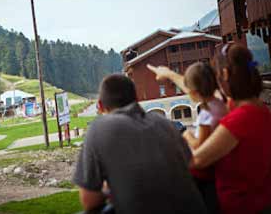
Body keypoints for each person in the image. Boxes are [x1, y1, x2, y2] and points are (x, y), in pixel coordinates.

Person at [73, 74, 206, 214]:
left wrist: (112, 188)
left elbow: (89, 201)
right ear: (136, 100)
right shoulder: (166, 123)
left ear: (100, 106)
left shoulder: (98, 128)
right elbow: (189, 162)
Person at [190, 44, 271, 214]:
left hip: (240, 207)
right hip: (262, 200)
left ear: (225, 74)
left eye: (218, 77)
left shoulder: (239, 119)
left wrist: (186, 136)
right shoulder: (260, 109)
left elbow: (197, 160)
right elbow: (205, 96)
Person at [148, 62, 228, 213]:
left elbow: (199, 146)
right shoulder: (220, 104)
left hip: (205, 176)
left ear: (194, 92)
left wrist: (185, 134)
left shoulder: (206, 114)